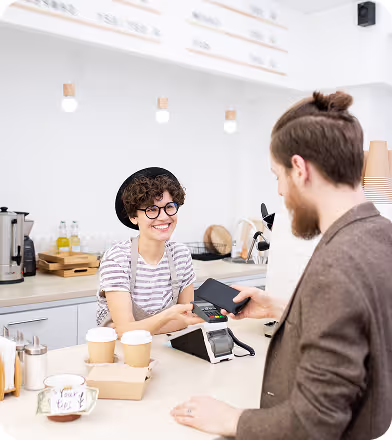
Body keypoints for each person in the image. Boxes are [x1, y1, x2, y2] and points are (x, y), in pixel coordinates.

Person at [171, 92, 392, 439]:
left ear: (300, 169)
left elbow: (313, 423)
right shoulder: (381, 234)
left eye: (278, 176)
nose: (279, 192)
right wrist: (285, 309)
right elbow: (360, 327)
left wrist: (231, 419)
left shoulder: (338, 263)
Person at [97, 167, 203, 337]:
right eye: (151, 210)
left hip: (168, 348)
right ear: (133, 216)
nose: (163, 217)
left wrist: (132, 329)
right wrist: (171, 318)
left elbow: (187, 318)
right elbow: (126, 333)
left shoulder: (181, 256)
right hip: (122, 354)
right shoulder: (117, 259)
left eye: (169, 207)